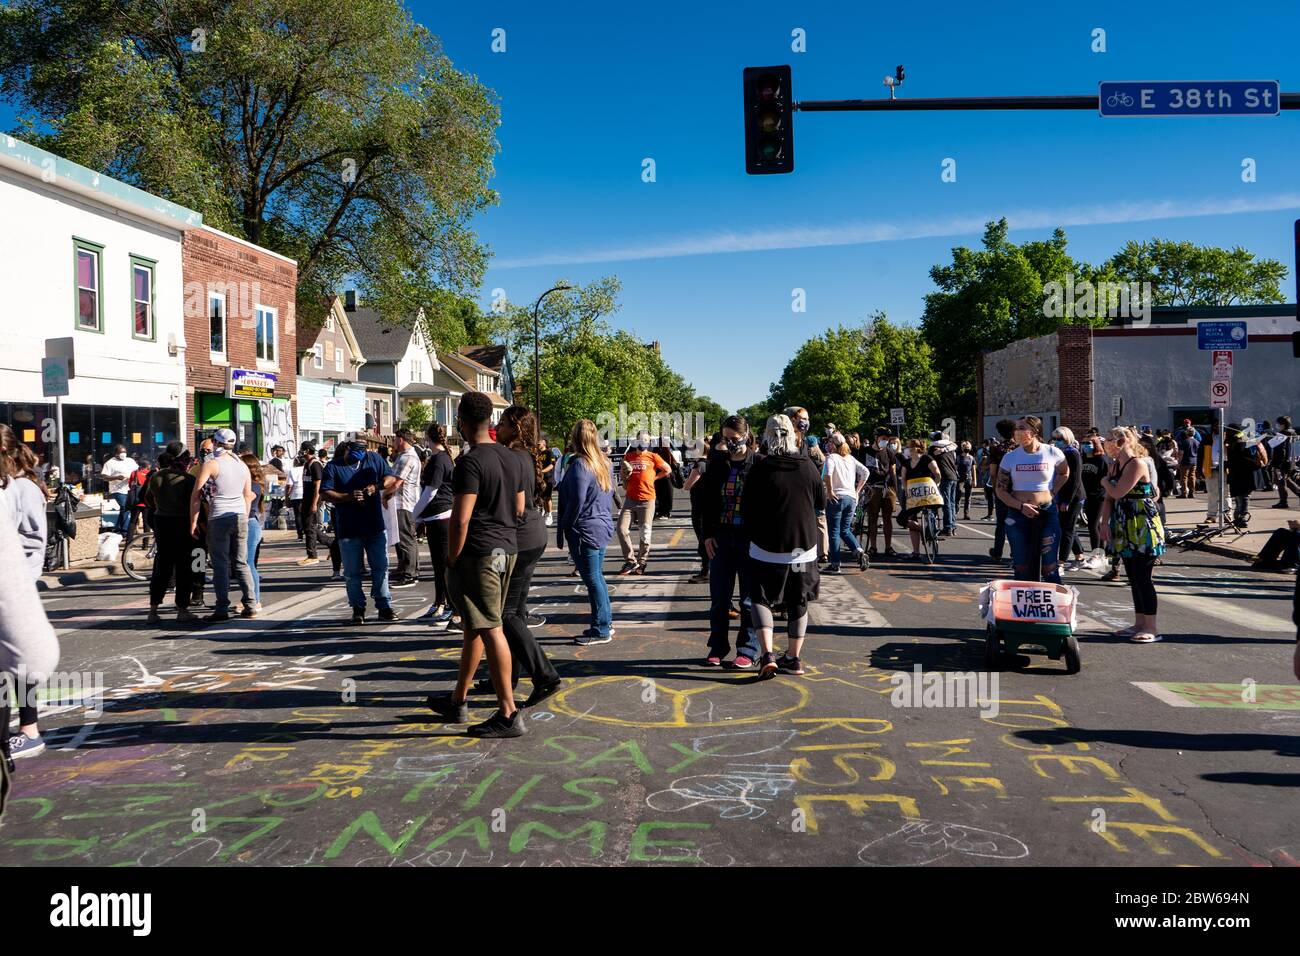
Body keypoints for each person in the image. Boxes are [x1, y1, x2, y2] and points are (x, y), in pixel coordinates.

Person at [426, 392, 526, 738]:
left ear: (463, 421)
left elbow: (460, 520)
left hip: (479, 552)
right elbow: (518, 508)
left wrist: (452, 557)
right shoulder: (510, 458)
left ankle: (509, 713)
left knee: (490, 627)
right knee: (476, 626)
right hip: (507, 547)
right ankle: (458, 699)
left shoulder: (470, 462)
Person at [488, 405, 562, 706]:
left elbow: (514, 506)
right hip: (532, 536)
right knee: (516, 612)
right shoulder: (526, 455)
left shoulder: (511, 457)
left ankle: (545, 676)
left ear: (516, 428)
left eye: (503, 423)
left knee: (504, 614)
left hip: (520, 539)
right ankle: (508, 676)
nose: (498, 427)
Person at [745, 415, 824, 678]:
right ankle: (794, 657)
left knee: (760, 596)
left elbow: (747, 507)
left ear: (767, 436)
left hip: (766, 545)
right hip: (802, 546)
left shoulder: (760, 467)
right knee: (798, 599)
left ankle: (767, 654)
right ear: (793, 435)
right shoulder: (808, 466)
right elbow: (821, 501)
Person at [0, 425, 53, 760]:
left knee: (16, 664)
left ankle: (29, 729)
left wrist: (19, 579)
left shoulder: (21, 487)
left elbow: (35, 539)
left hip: (14, 585)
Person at [699, 416, 761, 668]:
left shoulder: (758, 464)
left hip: (750, 538)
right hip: (722, 536)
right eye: (725, 439)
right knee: (719, 598)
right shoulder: (717, 464)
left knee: (749, 599)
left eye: (734, 439)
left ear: (747, 436)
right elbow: (707, 503)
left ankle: (748, 649)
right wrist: (707, 536)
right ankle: (717, 646)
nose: (730, 443)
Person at [320, 439, 399, 624]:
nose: (356, 460)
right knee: (352, 572)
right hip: (349, 528)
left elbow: (390, 478)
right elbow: (324, 493)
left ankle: (384, 606)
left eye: (360, 456)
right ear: (346, 449)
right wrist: (347, 496)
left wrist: (377, 486)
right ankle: (358, 608)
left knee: (380, 567)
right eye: (353, 455)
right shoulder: (333, 466)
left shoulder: (373, 459)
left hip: (374, 526)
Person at [1099, 427, 1165, 643]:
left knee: (1144, 578)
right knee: (1133, 577)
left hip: (1142, 524)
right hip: (1124, 523)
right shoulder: (1115, 465)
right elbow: (1109, 499)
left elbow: (1117, 492)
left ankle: (1151, 627)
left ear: (1121, 441)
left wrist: (1104, 482)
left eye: (1109, 439)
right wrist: (1104, 521)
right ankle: (1139, 623)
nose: (1106, 444)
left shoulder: (1137, 463)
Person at [188, 428, 256, 622]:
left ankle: (221, 609)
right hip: (240, 516)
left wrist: (193, 521)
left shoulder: (211, 465)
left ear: (216, 443)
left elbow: (196, 495)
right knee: (241, 563)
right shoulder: (242, 465)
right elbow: (247, 495)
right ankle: (251, 605)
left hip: (218, 516)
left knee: (220, 564)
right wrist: (243, 514)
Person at [560, 419, 616, 645]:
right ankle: (604, 623)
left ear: (575, 438)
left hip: (585, 528)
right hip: (601, 525)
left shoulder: (581, 465)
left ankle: (601, 628)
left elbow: (577, 500)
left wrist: (567, 524)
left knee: (593, 579)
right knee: (597, 578)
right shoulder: (604, 462)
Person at [995, 416, 1068, 584]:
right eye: (1016, 428)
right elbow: (1000, 489)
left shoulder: (1052, 452)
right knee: (1021, 566)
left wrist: (1053, 490)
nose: (1017, 432)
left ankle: (1055, 606)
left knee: (1049, 566)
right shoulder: (1010, 457)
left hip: (1046, 512)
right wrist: (1020, 506)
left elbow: (1065, 472)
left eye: (1022, 428)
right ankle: (1022, 607)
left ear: (1034, 431)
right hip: (1018, 514)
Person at [144, 443, 197, 625]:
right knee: (184, 567)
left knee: (161, 567)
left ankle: (153, 610)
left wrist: (161, 507)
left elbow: (148, 500)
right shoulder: (188, 480)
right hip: (182, 522)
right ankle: (182, 610)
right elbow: (194, 504)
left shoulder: (157, 476)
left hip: (162, 522)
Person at [417, 423, 457, 627]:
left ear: (428, 438)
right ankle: (439, 602)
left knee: (443, 565)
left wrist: (415, 514)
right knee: (438, 565)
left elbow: (431, 491)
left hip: (441, 516)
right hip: (437, 517)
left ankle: (451, 606)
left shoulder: (439, 460)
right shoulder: (442, 458)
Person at [616, 432, 670, 575]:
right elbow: (624, 481)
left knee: (644, 533)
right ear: (635, 441)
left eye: (646, 440)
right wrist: (625, 475)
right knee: (621, 529)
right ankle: (630, 561)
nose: (643, 442)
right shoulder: (629, 457)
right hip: (630, 499)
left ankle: (641, 562)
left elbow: (667, 469)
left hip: (647, 499)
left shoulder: (653, 457)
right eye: (641, 439)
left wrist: (654, 478)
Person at [822, 435, 869, 573]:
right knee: (845, 529)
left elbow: (828, 475)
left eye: (830, 442)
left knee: (834, 531)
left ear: (834, 445)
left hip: (837, 497)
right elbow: (866, 472)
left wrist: (830, 491)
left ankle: (835, 563)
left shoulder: (832, 458)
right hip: (850, 498)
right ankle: (859, 550)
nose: (828, 445)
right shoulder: (851, 459)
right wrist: (857, 490)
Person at [898, 438, 943, 560]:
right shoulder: (906, 462)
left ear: (914, 448)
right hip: (913, 497)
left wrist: (935, 485)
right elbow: (903, 478)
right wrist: (906, 490)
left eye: (908, 447)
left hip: (927, 495)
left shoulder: (926, 459)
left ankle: (925, 534)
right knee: (902, 519)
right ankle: (923, 531)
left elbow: (937, 473)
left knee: (924, 513)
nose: (907, 449)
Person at [389, 428, 423, 588]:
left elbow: (396, 482)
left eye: (395, 439)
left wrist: (383, 495)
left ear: (401, 439)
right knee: (407, 538)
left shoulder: (407, 457)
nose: (394, 442)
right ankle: (407, 568)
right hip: (407, 503)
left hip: (404, 503)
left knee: (406, 539)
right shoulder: (406, 456)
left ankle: (410, 574)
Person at [1052, 427, 1087, 570]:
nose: (1056, 442)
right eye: (1055, 439)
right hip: (1061, 496)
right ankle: (1080, 557)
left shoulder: (1073, 454)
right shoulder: (1060, 453)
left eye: (1060, 439)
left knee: (1066, 530)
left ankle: (1061, 563)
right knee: (1068, 528)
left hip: (1073, 497)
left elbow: (1075, 480)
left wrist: (1067, 500)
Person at [1224, 423, 1268, 528]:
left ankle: (1238, 518)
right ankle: (1241, 518)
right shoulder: (1241, 443)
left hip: (1235, 475)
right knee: (1245, 498)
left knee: (1239, 499)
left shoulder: (1229, 443)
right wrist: (1257, 464)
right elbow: (1245, 460)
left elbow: (1232, 460)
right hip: (1245, 475)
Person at [986, 419, 1017, 561]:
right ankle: (1015, 552)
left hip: (1002, 488)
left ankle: (997, 551)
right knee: (1015, 521)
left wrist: (995, 488)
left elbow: (993, 472)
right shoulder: (1019, 447)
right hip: (1018, 489)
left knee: (1002, 522)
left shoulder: (996, 449)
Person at [864, 428, 899, 557]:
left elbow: (893, 472)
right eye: (883, 438)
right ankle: (873, 547)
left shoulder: (890, 453)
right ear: (876, 438)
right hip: (872, 488)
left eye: (887, 439)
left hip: (887, 488)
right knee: (872, 518)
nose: (885, 441)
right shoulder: (865, 451)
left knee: (887, 518)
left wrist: (896, 490)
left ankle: (888, 547)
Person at [682, 437, 712, 583]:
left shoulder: (699, 465)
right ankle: (707, 568)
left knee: (702, 538)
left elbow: (687, 485)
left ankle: (706, 571)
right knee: (706, 537)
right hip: (708, 504)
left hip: (700, 506)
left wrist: (684, 479)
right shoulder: (711, 462)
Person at [241, 453, 267, 612]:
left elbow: (247, 498)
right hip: (247, 525)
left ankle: (255, 600)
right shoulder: (248, 484)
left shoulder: (255, 485)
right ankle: (249, 598)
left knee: (248, 564)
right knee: (243, 564)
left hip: (250, 525)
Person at [1079, 430, 1108, 554]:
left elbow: (1106, 479)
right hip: (1086, 497)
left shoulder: (1101, 460)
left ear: (1095, 444)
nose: (1085, 446)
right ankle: (1102, 551)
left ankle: (1096, 554)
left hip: (1099, 497)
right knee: (1095, 525)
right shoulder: (1082, 459)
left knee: (1092, 525)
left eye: (1088, 443)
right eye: (1084, 443)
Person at [101, 444, 138, 534]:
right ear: (116, 453)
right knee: (124, 507)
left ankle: (118, 527)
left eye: (125, 452)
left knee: (127, 509)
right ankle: (125, 531)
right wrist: (116, 477)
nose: (123, 454)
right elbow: (104, 476)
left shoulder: (130, 460)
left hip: (130, 488)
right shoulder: (110, 463)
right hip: (117, 490)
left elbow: (137, 470)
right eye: (121, 452)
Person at [928, 431, 960, 536]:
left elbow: (928, 461)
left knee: (945, 503)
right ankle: (952, 526)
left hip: (943, 476)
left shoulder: (933, 448)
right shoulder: (950, 448)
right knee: (951, 502)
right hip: (953, 477)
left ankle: (948, 528)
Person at [1269, 416, 1296, 509]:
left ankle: (1283, 502)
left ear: (1283, 424)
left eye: (1278, 423)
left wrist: (1277, 465)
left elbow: (1281, 451)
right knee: (1287, 480)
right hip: (1290, 462)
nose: (1277, 425)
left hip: (1282, 463)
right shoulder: (1293, 433)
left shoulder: (1282, 434)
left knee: (1281, 482)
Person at [956, 441, 975, 522]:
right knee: (958, 496)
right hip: (960, 479)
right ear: (962, 448)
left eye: (968, 448)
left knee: (968, 497)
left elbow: (973, 469)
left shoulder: (971, 458)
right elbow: (955, 468)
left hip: (969, 479)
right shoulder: (958, 457)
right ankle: (955, 512)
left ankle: (966, 514)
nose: (967, 449)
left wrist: (975, 480)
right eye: (965, 447)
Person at [538, 439, 556, 526]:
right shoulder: (538, 454)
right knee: (542, 497)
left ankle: (549, 514)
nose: (538, 444)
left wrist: (542, 471)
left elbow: (552, 465)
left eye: (539, 443)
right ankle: (545, 513)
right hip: (540, 479)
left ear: (544, 444)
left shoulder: (549, 452)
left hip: (549, 478)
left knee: (548, 497)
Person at [288, 453, 305, 538]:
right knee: (306, 514)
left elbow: (289, 485)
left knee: (297, 515)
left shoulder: (292, 470)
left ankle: (300, 534)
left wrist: (287, 495)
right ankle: (308, 530)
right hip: (306, 493)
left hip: (296, 494)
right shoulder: (307, 468)